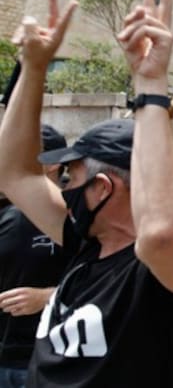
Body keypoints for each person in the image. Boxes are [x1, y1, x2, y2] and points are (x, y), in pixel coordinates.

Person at [0, 0, 173, 387]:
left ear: (103, 187)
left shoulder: (164, 268)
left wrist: (150, 83)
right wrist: (34, 67)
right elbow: (14, 172)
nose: (63, 186)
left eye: (71, 174)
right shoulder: (84, 244)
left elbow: (163, 233)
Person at [0, 125, 69, 387]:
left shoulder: (77, 220)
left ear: (52, 164)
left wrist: (47, 297)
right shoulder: (6, 212)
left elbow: (103, 284)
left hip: (47, 360)